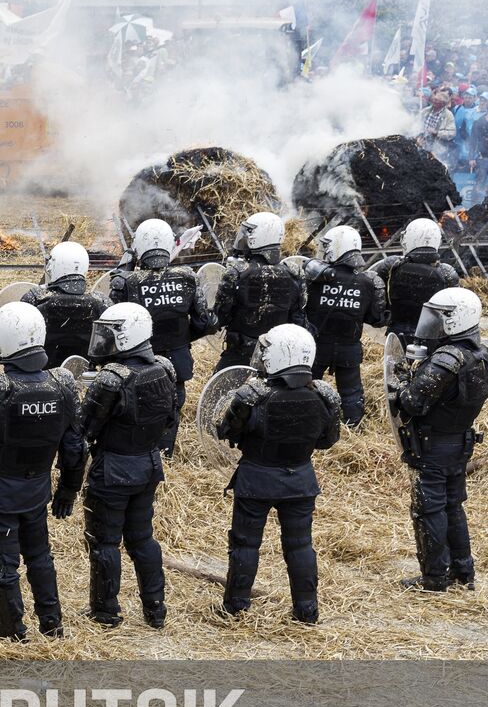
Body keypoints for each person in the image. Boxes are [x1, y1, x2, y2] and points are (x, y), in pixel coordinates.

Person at [0, 302, 85, 640]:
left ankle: (13, 636)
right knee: (40, 556)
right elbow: (74, 448)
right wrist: (69, 489)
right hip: (37, 490)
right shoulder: (63, 385)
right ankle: (53, 626)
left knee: (2, 564)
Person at [214, 324, 341, 623]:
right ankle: (307, 611)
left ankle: (236, 608)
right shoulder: (324, 395)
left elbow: (225, 432)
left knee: (245, 544)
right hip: (300, 479)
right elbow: (327, 441)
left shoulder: (252, 395)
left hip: (256, 479)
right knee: (300, 546)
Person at [80, 303, 179, 628]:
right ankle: (156, 610)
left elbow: (85, 428)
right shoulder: (164, 369)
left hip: (112, 470)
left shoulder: (112, 379)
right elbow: (169, 419)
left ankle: (105, 611)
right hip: (147, 465)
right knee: (142, 539)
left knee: (105, 542)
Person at [387, 288, 488, 591]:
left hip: (432, 446)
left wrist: (403, 380)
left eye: (439, 316)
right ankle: (463, 572)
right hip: (460, 441)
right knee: (452, 507)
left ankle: (434, 577)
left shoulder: (446, 359)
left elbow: (412, 403)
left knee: (428, 509)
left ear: (454, 320)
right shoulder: (481, 354)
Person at [107, 219, 217, 452]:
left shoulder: (127, 281)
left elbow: (111, 322)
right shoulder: (188, 276)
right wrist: (182, 338)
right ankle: (165, 453)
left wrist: (121, 272)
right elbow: (204, 322)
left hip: (139, 362)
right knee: (172, 405)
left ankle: (143, 451)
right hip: (177, 359)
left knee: (137, 409)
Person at [304, 226, 385, 427]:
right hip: (349, 347)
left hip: (316, 346)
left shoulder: (314, 279)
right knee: (351, 392)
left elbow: (300, 309)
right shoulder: (368, 282)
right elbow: (376, 318)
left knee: (306, 387)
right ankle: (353, 427)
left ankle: (308, 423)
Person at [213, 212, 308, 370]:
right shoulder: (295, 273)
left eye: (248, 233)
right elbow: (299, 320)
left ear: (257, 237)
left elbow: (221, 316)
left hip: (240, 354)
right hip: (280, 355)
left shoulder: (236, 272)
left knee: (219, 391)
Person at [21, 241, 111, 368]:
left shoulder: (35, 298)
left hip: (42, 374)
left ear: (55, 265)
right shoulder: (101, 302)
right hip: (86, 376)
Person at [368, 218, 459, 341]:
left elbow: (372, 293)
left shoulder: (392, 264)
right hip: (433, 337)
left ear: (410, 238)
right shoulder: (447, 271)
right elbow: (455, 311)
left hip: (396, 334)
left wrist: (382, 317)